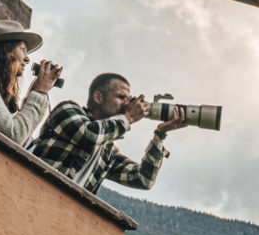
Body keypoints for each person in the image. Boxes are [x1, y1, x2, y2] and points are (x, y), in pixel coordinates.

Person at [30, 71, 191, 193]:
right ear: (99, 97)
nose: (126, 105)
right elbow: (89, 135)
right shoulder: (67, 110)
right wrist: (128, 118)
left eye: (128, 99)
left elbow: (143, 180)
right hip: (33, 191)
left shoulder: (107, 151)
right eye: (121, 97)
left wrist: (160, 135)